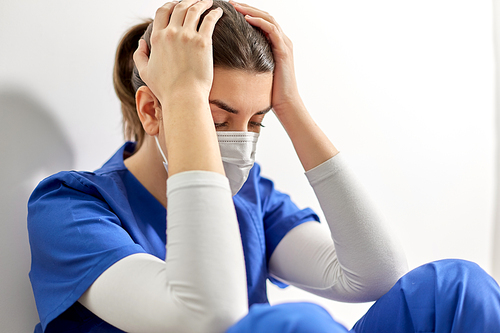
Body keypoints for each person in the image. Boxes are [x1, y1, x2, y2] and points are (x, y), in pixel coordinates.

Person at [27, 0, 500, 332]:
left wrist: (290, 105)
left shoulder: (251, 197)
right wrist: (186, 95)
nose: (239, 141)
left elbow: (375, 274)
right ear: (151, 110)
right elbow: (206, 315)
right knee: (295, 325)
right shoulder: (70, 208)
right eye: (216, 116)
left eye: (256, 121)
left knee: (459, 287)